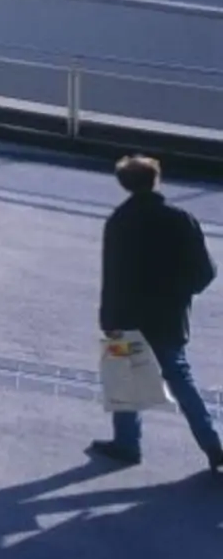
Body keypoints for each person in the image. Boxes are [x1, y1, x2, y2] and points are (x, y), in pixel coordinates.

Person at [87, 155, 222, 473]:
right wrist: (180, 293)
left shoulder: (120, 221)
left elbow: (114, 276)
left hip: (127, 314)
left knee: (124, 376)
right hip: (168, 316)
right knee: (180, 378)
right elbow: (205, 271)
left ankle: (127, 444)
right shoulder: (180, 218)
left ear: (125, 185)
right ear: (156, 180)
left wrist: (108, 319)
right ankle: (212, 444)